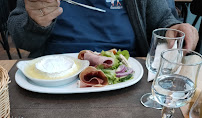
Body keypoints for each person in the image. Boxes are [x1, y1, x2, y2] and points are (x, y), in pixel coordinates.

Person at [7, 0, 199, 58]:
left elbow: (163, 20)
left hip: (126, 74)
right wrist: (37, 23)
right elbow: (22, 39)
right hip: (56, 75)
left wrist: (176, 28)